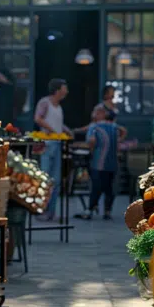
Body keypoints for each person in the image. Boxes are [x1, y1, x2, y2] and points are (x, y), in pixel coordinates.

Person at [75, 106, 127, 220]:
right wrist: (118, 141)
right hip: (112, 162)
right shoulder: (114, 126)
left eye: (96, 112)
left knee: (96, 186)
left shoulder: (94, 127)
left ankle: (89, 210)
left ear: (100, 114)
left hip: (99, 161)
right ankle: (107, 211)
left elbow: (91, 141)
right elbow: (124, 131)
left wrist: (92, 149)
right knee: (109, 187)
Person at [34, 78, 71, 221]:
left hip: (57, 143)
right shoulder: (45, 102)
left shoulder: (59, 106)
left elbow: (57, 124)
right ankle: (41, 211)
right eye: (64, 88)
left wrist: (66, 131)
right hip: (47, 144)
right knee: (46, 178)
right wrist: (52, 130)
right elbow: (38, 118)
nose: (66, 91)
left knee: (55, 180)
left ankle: (51, 212)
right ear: (58, 90)